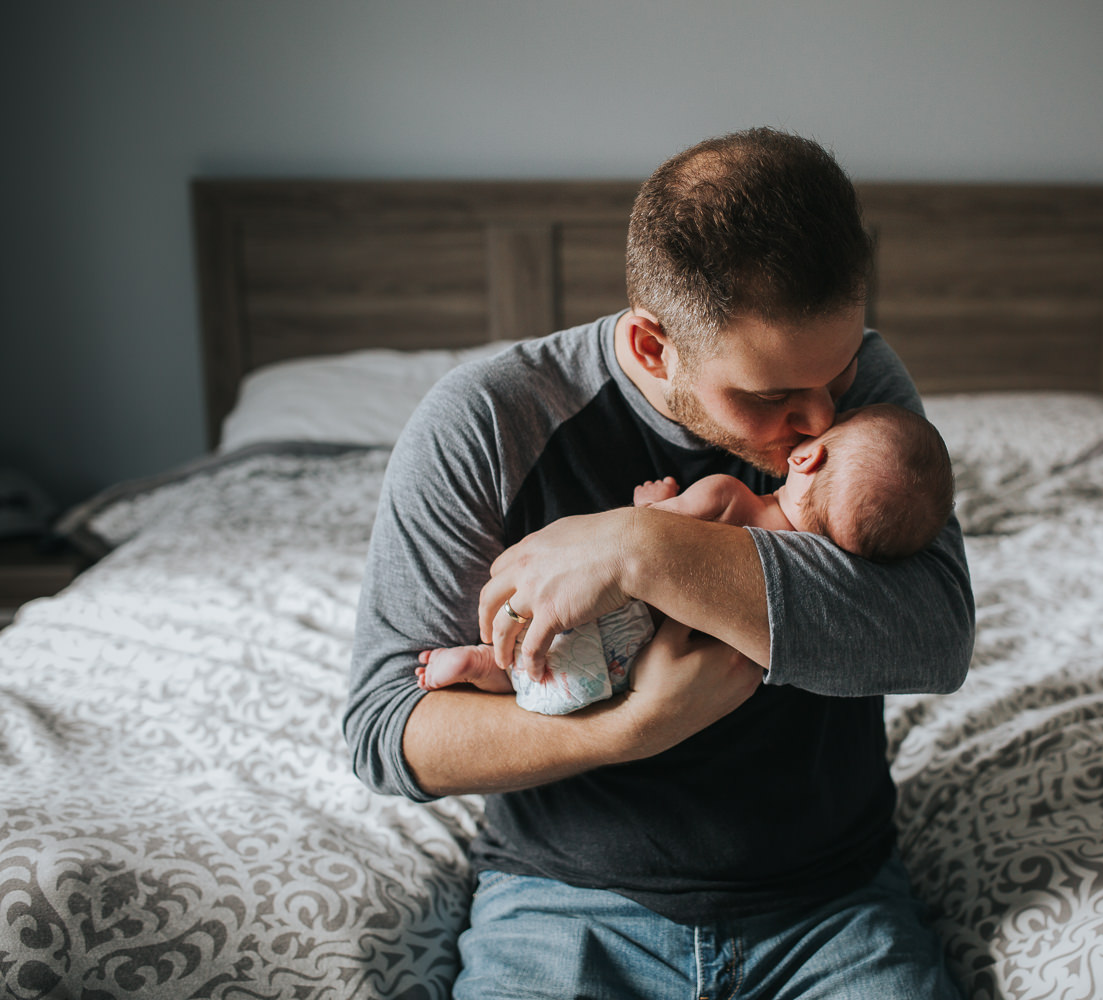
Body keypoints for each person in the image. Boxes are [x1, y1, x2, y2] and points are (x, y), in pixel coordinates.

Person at [345, 127, 975, 998]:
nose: (821, 417)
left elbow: (935, 640)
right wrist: (635, 727)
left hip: (831, 904)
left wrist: (645, 546)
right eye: (770, 397)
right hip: (565, 903)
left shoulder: (861, 385)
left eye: (836, 372)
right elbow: (386, 731)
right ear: (652, 347)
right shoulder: (488, 421)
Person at [413, 403, 956, 718]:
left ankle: (486, 662)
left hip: (619, 609)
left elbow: (644, 537)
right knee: (573, 673)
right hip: (643, 656)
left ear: (806, 456)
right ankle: (490, 670)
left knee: (547, 642)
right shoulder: (818, 569)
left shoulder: (729, 495)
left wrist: (647, 507)